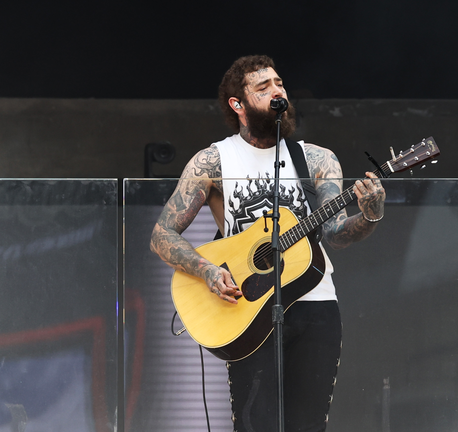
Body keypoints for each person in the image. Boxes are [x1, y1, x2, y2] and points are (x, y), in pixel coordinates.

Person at [150, 55, 386, 431]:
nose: (277, 91)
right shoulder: (213, 162)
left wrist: (370, 213)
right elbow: (162, 235)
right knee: (253, 423)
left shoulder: (317, 160)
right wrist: (209, 271)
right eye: (263, 87)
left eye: (279, 84)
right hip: (248, 307)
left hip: (315, 304)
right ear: (237, 105)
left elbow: (336, 234)